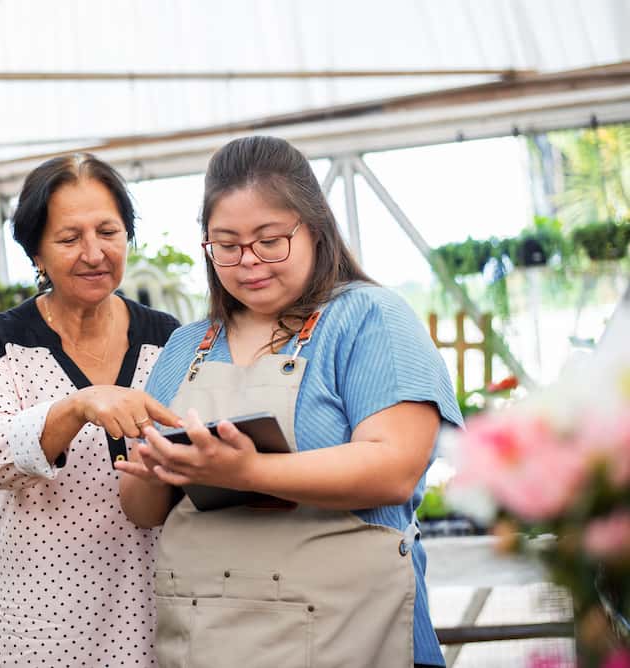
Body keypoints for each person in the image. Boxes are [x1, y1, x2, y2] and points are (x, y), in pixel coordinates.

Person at [118, 136, 463, 668]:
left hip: (351, 634)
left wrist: (247, 470)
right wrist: (152, 468)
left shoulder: (369, 318)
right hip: (208, 639)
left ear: (315, 228)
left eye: (269, 240)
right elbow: (143, 513)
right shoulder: (186, 346)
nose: (248, 261)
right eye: (226, 245)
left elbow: (392, 469)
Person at [0, 153, 181, 667]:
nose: (94, 253)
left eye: (108, 231)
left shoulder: (168, 340)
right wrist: (77, 405)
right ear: (36, 252)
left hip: (148, 601)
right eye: (69, 238)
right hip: (39, 618)